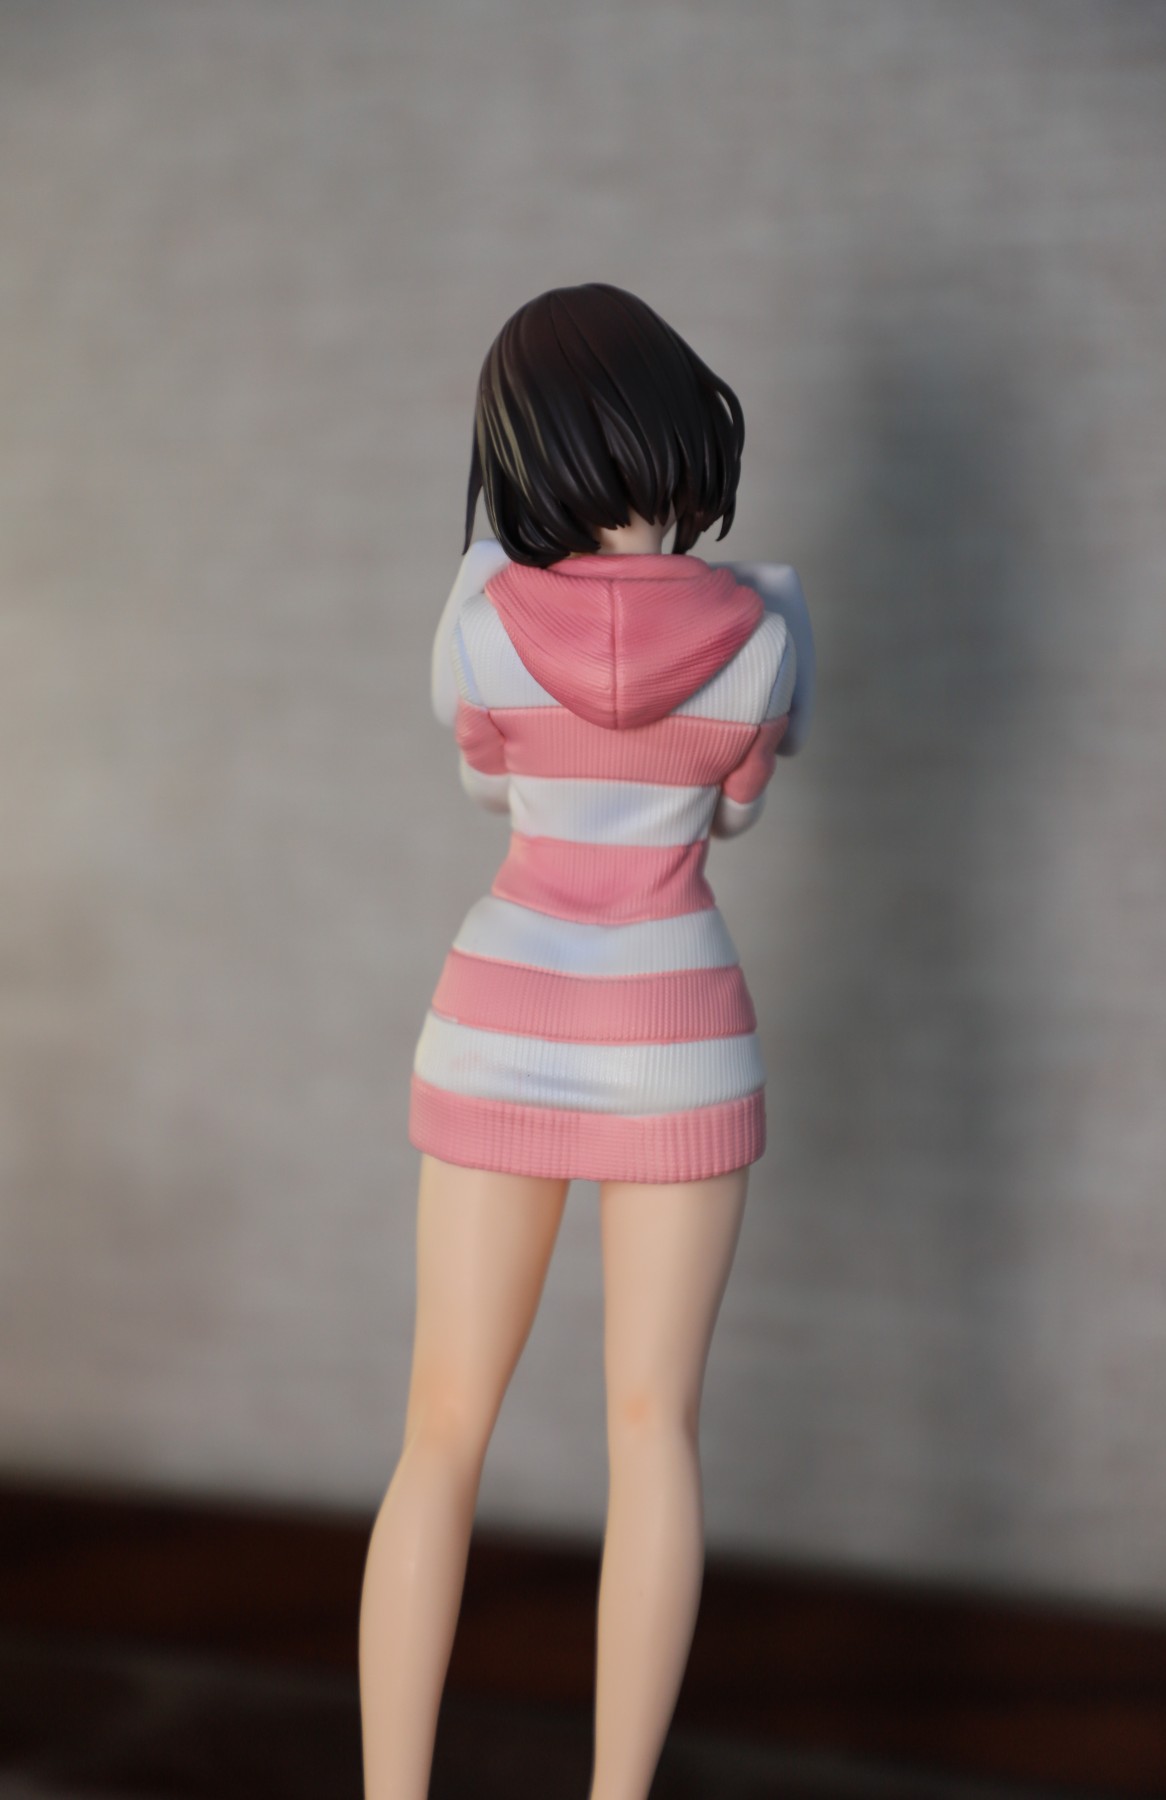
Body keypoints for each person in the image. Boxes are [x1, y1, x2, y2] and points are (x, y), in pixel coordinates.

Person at [359, 282, 815, 1800]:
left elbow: (488, 783)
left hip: (498, 1014)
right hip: (678, 1031)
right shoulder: (763, 637)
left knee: (439, 1431)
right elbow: (732, 816)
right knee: (654, 1432)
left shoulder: (479, 622)